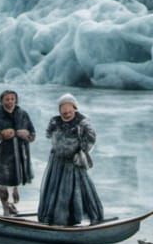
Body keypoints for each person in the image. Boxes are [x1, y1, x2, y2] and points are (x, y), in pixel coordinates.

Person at [37, 94, 104, 226]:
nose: (66, 114)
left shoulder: (83, 122)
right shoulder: (55, 121)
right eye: (63, 112)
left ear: (75, 108)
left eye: (69, 111)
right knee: (55, 190)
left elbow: (91, 139)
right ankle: (54, 218)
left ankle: (77, 217)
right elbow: (48, 134)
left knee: (76, 191)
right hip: (56, 162)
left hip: (73, 163)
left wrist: (81, 151)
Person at [0, 90, 36, 216]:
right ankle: (5, 207)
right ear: (1, 101)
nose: (10, 101)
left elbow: (33, 134)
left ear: (16, 100)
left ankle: (11, 204)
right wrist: (1, 134)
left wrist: (27, 135)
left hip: (19, 154)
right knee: (1, 182)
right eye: (7, 99)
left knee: (15, 180)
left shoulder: (23, 114)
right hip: (3, 154)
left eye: (12, 99)